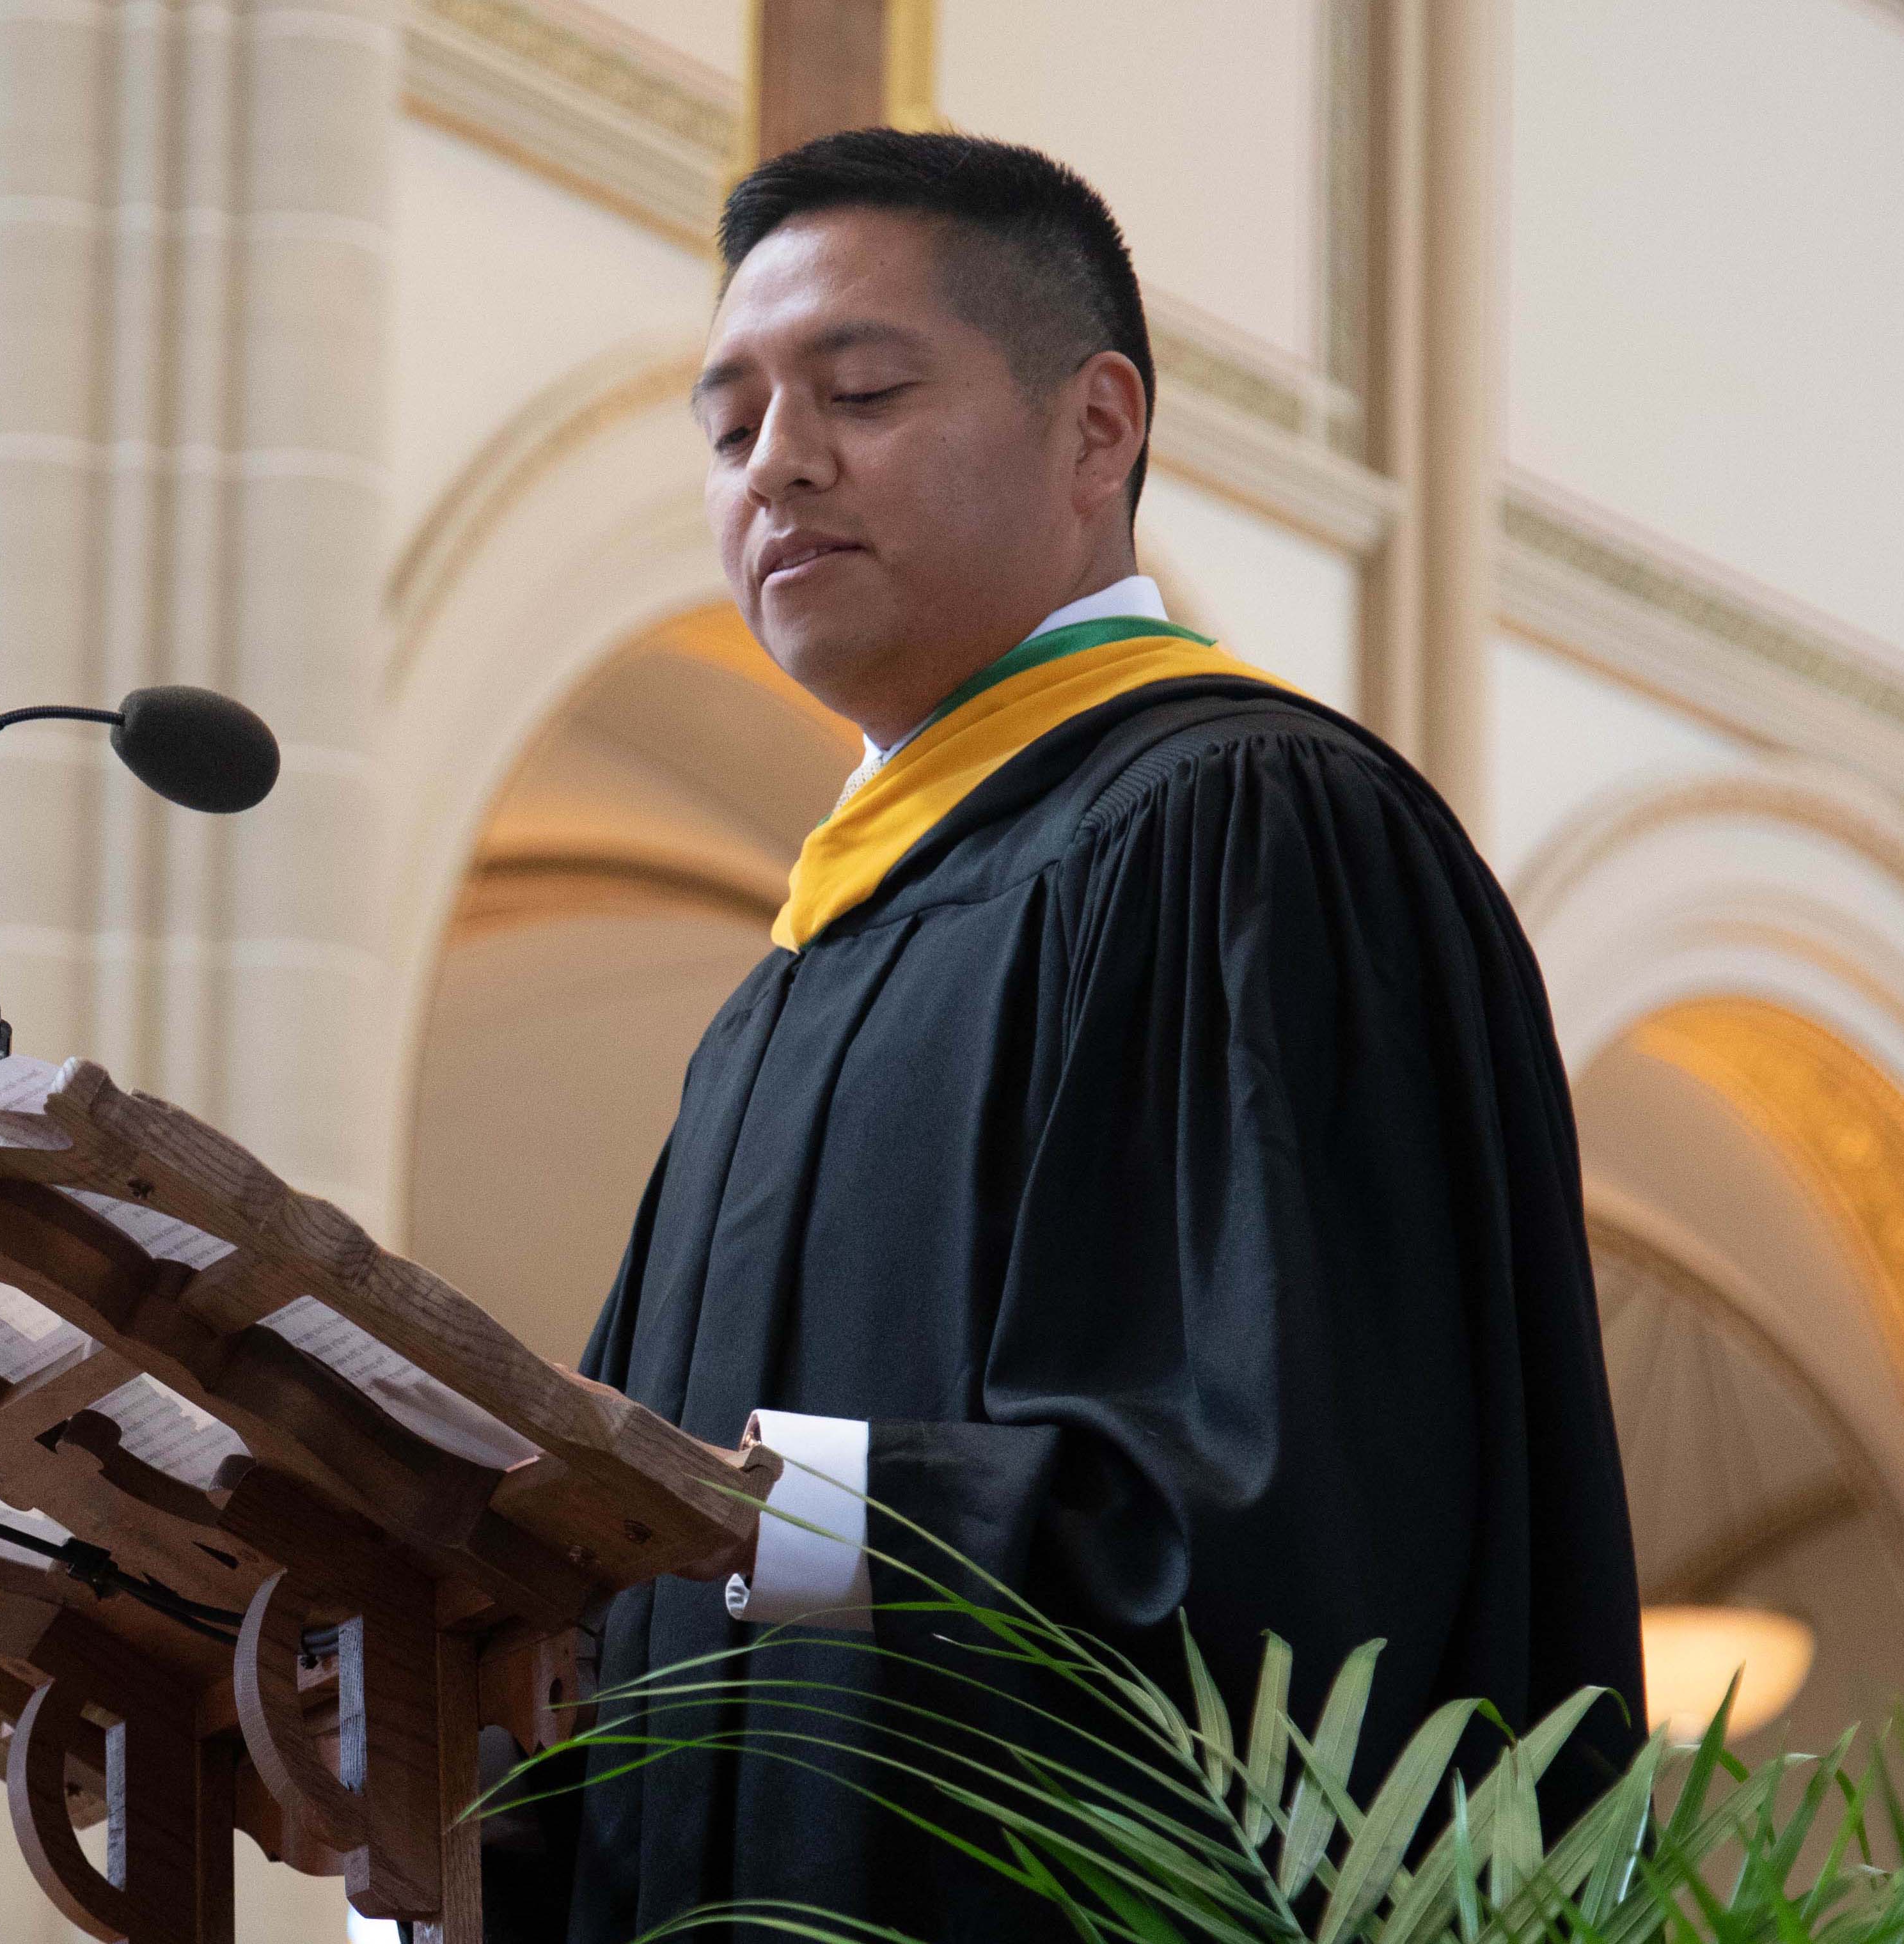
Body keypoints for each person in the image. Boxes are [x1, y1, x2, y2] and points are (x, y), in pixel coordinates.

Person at [493, 130, 1646, 1943]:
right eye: (727, 432)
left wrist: (747, 1520)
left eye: (859, 393)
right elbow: (626, 1569)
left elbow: (1298, 1514)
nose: (776, 465)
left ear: (1095, 426)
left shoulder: (1253, 829)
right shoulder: (783, 990)